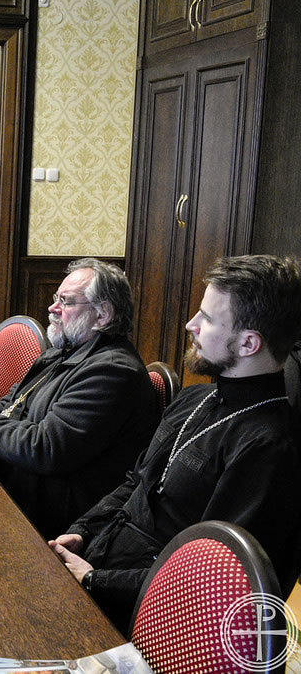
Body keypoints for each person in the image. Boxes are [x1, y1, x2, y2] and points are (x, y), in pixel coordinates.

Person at [49, 254, 301, 632]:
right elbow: (136, 482)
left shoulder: (269, 447)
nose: (190, 325)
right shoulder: (193, 399)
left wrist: (94, 580)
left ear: (249, 342)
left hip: (152, 618)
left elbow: (210, 576)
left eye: (207, 319)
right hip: (98, 565)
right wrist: (83, 531)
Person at [0, 258, 158, 539]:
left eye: (65, 302)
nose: (52, 308)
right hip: (17, 486)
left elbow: (44, 448)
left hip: (51, 521)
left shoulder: (113, 372)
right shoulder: (62, 352)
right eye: (56, 298)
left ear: (102, 315)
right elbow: (10, 403)